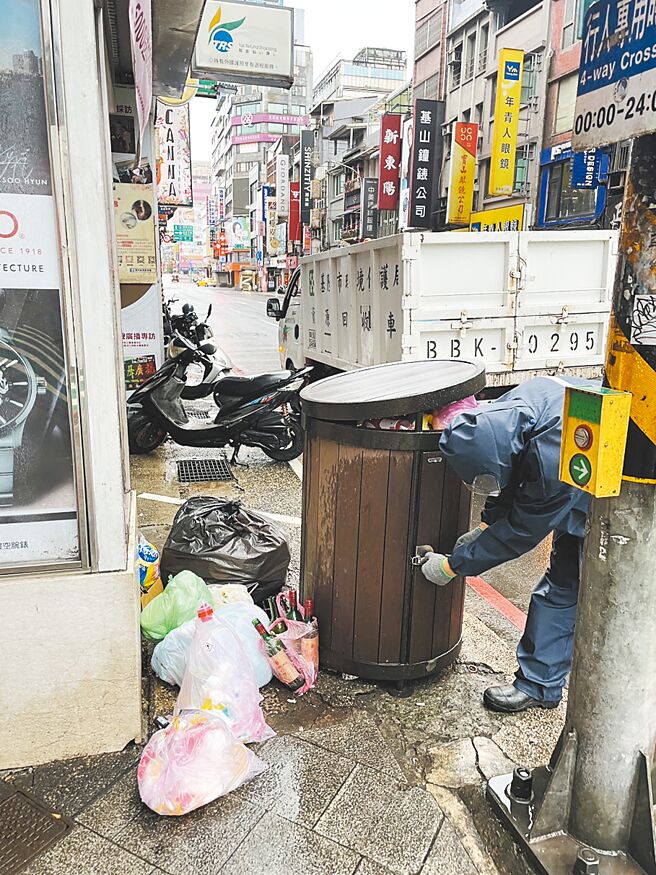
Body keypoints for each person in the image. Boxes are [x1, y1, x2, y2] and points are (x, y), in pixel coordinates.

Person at [421, 376, 592, 713]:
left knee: (601, 602)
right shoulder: (511, 413)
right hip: (584, 489)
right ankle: (540, 685)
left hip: (626, 508)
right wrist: (487, 523)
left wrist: (454, 565)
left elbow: (520, 532)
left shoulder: (551, 454)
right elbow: (513, 473)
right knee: (561, 585)